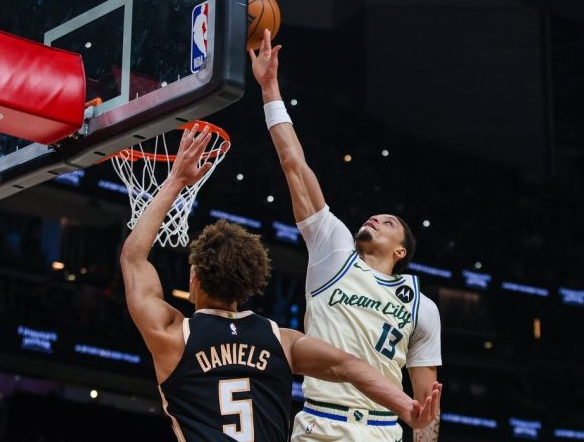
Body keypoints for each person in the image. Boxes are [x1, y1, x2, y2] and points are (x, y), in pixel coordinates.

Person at [120, 125, 440, 441]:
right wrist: (405, 407)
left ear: (194, 278)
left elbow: (133, 258)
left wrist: (176, 180)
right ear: (249, 286)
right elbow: (350, 366)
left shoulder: (171, 334)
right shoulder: (281, 341)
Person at [250, 29, 443, 442]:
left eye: (388, 222)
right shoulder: (333, 249)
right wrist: (269, 89)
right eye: (376, 217)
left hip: (381, 431)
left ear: (401, 251)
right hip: (320, 423)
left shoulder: (422, 306)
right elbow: (294, 164)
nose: (376, 219)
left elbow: (426, 407)